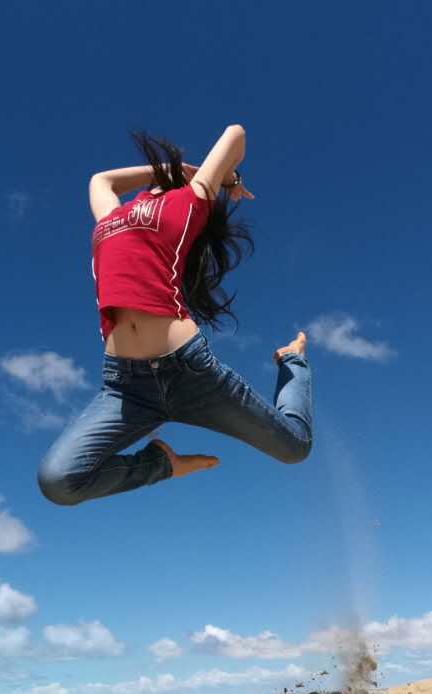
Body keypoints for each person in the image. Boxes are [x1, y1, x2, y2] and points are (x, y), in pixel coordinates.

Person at [36, 124, 313, 506]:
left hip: (191, 375)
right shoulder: (109, 218)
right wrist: (173, 169)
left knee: (295, 446)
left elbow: (235, 134)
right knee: (58, 481)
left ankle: (292, 360)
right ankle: (162, 464)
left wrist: (222, 178)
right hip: (126, 386)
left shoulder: (189, 203)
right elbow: (101, 180)